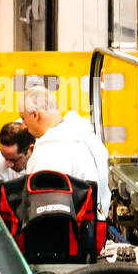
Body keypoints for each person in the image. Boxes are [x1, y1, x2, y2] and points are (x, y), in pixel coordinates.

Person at [19, 86, 111, 217]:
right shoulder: (86, 136)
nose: (23, 126)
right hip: (96, 225)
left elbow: (42, 214)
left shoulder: (47, 154)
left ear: (35, 115)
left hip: (68, 233)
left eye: (23, 118)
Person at [0, 120, 34, 191]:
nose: (8, 164)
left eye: (13, 160)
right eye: (4, 157)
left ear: (31, 150)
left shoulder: (45, 163)